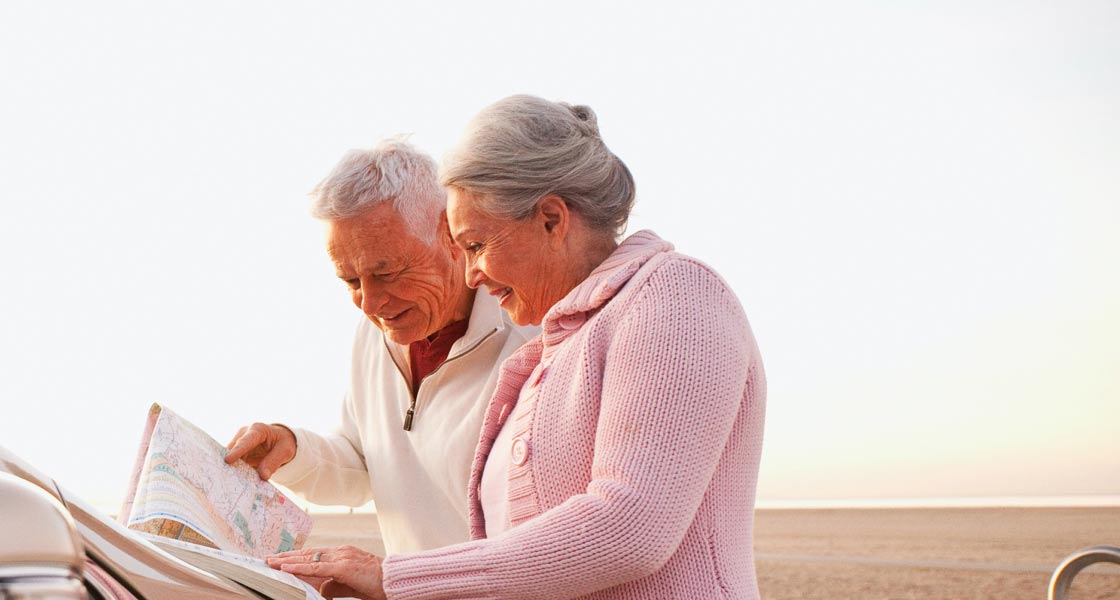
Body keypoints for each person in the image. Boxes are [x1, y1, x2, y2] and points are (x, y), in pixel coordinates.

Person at [267, 95, 767, 599]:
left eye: (478, 246)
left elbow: (630, 526)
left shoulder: (675, 294)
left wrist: (394, 579)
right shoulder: (559, 342)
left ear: (552, 219)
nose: (470, 273)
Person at [223, 137, 535, 556]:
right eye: (351, 281)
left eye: (386, 273)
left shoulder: (530, 337)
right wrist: (291, 447)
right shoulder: (375, 333)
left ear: (450, 233)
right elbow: (363, 464)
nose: (369, 303)